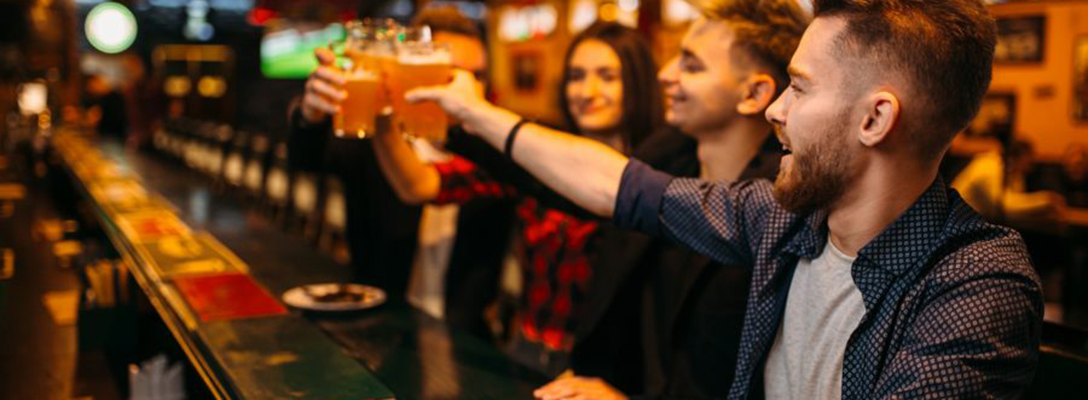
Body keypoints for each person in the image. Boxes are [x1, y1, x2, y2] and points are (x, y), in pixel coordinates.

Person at [409, 0, 1043, 398]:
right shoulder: (787, 220)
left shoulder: (976, 285)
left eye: (798, 87)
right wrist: (473, 112)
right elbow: (620, 186)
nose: (775, 109)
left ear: (875, 120)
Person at [370, 21, 663, 376]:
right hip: (524, 351)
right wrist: (381, 117)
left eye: (607, 76)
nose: (586, 90)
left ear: (638, 83)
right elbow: (420, 186)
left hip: (604, 371)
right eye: (575, 75)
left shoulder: (657, 178)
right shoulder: (538, 157)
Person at [553, 0, 806, 398]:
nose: (664, 74)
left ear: (755, 93)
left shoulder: (781, 209)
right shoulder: (668, 158)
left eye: (691, 65)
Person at [288, 6, 508, 339]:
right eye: (453, 73)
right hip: (379, 329)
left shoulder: (495, 153)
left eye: (478, 75)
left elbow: (422, 185)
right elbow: (306, 158)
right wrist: (309, 113)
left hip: (466, 339)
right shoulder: (370, 142)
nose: (469, 88)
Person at [952, 139, 1064, 224]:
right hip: (955, 222)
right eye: (1028, 161)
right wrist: (1045, 200)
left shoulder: (1014, 173)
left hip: (974, 222)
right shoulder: (989, 166)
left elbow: (1017, 201)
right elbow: (1004, 209)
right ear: (1017, 157)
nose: (1030, 167)